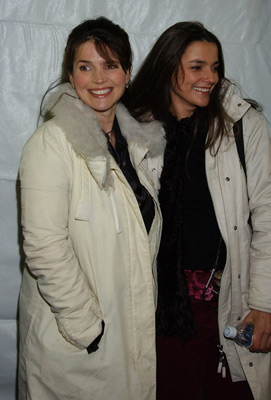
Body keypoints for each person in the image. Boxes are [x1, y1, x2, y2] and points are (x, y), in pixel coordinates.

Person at [127, 21, 271, 400]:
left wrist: (266, 304)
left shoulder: (240, 124)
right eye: (197, 67)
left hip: (231, 301)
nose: (210, 77)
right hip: (159, 310)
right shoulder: (132, 127)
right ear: (168, 66)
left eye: (216, 67)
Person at [18, 17, 164, 400]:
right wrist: (88, 328)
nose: (99, 78)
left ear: (127, 72)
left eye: (110, 65)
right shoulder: (50, 143)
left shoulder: (137, 146)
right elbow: (44, 248)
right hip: (79, 344)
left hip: (126, 337)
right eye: (86, 66)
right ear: (70, 74)